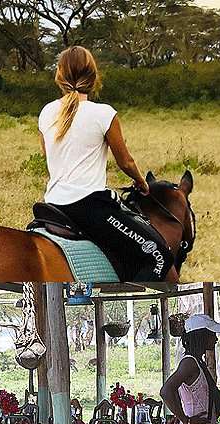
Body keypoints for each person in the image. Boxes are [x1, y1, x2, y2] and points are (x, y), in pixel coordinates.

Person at [38, 45, 175, 281]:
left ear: (59, 76)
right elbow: (125, 162)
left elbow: (50, 158)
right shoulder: (104, 113)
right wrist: (141, 181)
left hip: (52, 205)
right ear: (93, 76)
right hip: (89, 208)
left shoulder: (46, 112)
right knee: (160, 258)